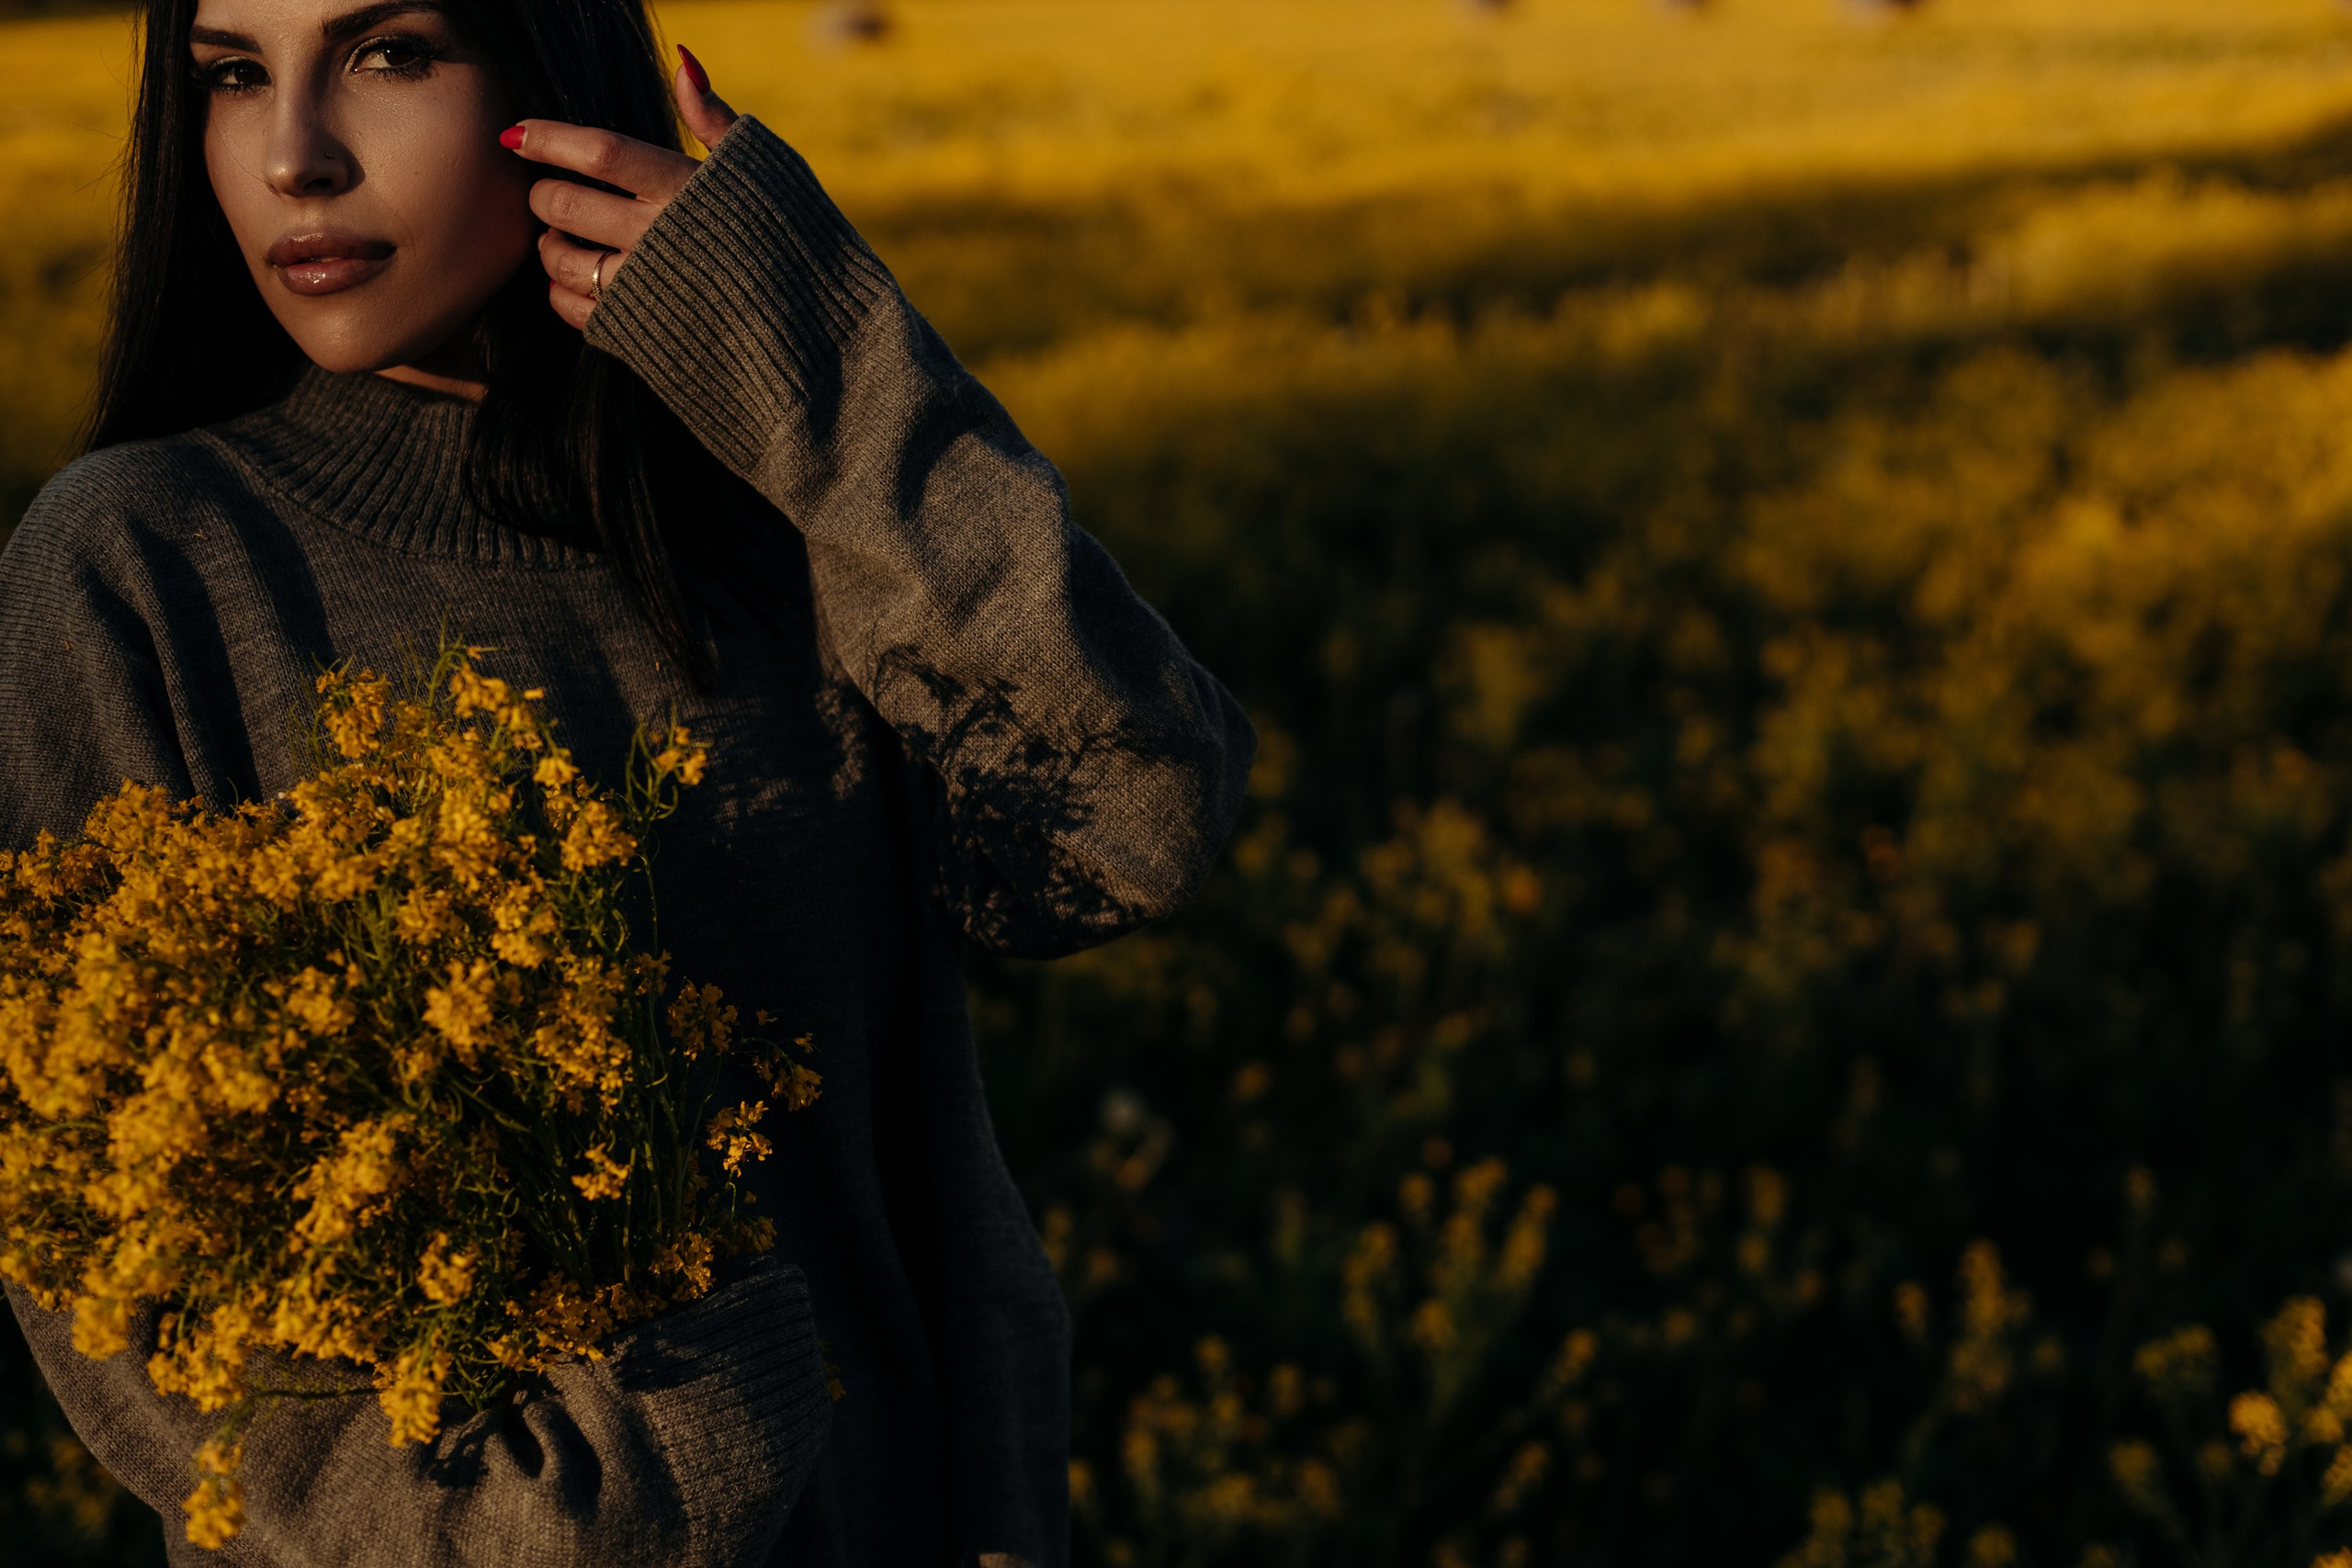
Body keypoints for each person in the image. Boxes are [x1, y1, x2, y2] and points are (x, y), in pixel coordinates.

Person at [0, 0, 1253, 1560]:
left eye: (390, 54)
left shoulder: (764, 526)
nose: (291, 156)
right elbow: (131, 1286)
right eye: (234, 74)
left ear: (551, 75)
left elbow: (1135, 822)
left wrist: (812, 358)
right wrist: (619, 1502)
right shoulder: (141, 568)